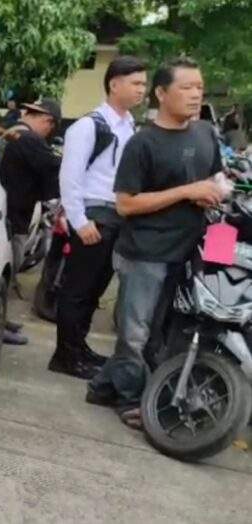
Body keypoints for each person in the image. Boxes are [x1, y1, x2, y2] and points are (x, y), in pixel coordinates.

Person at [87, 58, 225, 430]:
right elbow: (125, 204)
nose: (196, 94)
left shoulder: (205, 133)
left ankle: (105, 386)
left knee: (166, 332)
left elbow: (216, 177)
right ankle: (131, 399)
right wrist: (187, 191)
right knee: (135, 333)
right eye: (186, 87)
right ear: (161, 93)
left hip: (190, 250)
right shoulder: (142, 143)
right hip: (145, 253)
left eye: (200, 87)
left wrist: (217, 191)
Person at [50, 56, 148, 380]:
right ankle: (65, 356)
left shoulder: (129, 126)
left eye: (144, 84)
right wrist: (79, 221)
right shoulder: (89, 126)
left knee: (94, 290)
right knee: (77, 290)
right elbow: (70, 177)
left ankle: (79, 348)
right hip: (94, 216)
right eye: (136, 83)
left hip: (116, 216)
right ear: (114, 84)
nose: (142, 90)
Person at [0, 98, 62, 275]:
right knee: (11, 263)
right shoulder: (30, 139)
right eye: (51, 128)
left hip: (0, 208)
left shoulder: (10, 131)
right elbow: (56, 167)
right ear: (48, 121)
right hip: (13, 217)